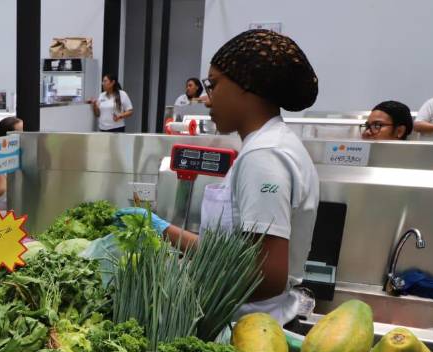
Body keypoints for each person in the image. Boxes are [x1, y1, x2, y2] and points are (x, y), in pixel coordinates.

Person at [117, 29, 320, 327]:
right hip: (251, 322)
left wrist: (167, 236)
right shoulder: (270, 143)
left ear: (247, 86)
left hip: (251, 328)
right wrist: (164, 230)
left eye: (213, 85)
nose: (207, 100)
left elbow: (265, 276)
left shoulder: (265, 156)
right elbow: (237, 252)